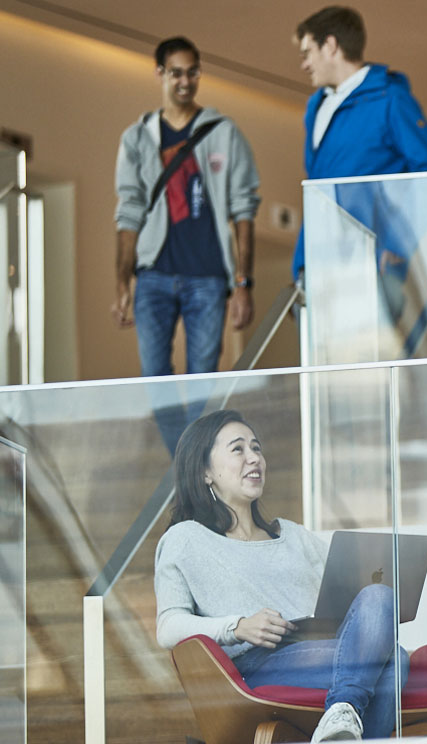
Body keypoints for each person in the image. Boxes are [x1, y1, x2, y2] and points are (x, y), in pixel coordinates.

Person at [153, 409, 407, 742]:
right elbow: (168, 626)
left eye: (256, 448)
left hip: (324, 648)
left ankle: (342, 714)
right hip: (257, 667)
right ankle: (347, 727)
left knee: (380, 596)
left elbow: (350, 600)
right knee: (395, 661)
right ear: (205, 472)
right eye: (238, 449)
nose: (253, 458)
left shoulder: (294, 536)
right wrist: (238, 626)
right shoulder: (185, 539)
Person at [113, 37, 260, 451]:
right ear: (160, 73)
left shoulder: (224, 132)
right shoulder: (138, 138)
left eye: (192, 71)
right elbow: (128, 211)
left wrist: (243, 283)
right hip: (153, 275)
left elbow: (243, 211)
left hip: (209, 277)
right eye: (176, 72)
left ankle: (194, 462)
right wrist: (122, 282)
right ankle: (185, 460)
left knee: (203, 382)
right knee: (155, 375)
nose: (185, 81)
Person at [292, 6, 427, 294]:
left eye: (307, 52)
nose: (304, 64)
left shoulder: (390, 98)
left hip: (375, 264)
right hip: (324, 265)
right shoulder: (316, 106)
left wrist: (401, 244)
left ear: (330, 46)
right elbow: (317, 190)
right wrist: (303, 264)